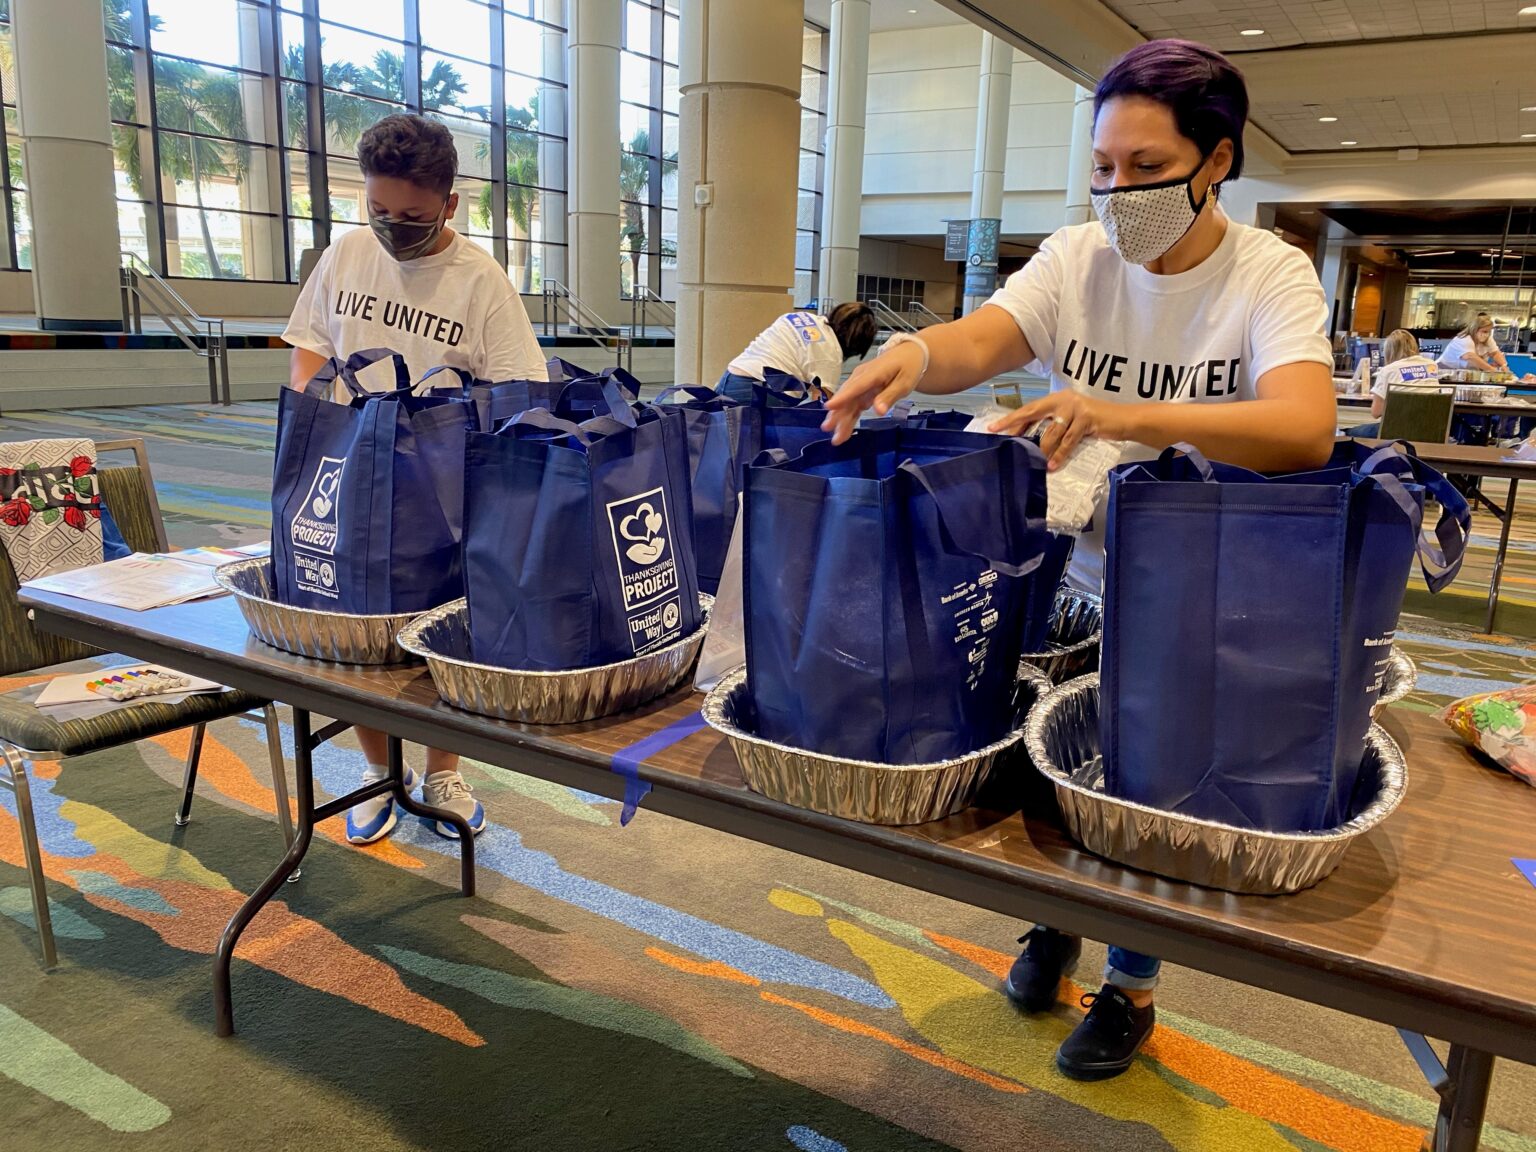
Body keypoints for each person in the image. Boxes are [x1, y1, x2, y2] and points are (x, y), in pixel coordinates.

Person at [823, 39, 1334, 1081]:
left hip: (1194, 574)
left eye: (1146, 169)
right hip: (1065, 556)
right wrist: (914, 357)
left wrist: (1118, 412)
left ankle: (1131, 982)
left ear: (1215, 161)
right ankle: (1049, 923)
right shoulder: (1076, 257)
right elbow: (987, 338)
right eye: (1102, 168)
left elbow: (1305, 427)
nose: (1117, 193)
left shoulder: (1268, 273)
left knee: (1150, 782)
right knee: (1038, 753)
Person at [283, 113, 547, 845]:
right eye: (378, 211)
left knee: (437, 625)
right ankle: (378, 774)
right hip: (347, 469)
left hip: (438, 481)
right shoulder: (344, 255)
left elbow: (518, 388)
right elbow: (307, 352)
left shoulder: (479, 279)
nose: (392, 227)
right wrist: (320, 414)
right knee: (357, 630)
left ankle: (442, 771)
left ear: (449, 206)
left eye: (413, 216)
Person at [716, 302, 877, 402]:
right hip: (760, 392)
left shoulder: (804, 317)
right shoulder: (830, 353)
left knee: (721, 443)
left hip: (730, 378)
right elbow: (823, 405)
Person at [1345, 328, 1440, 438]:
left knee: (1349, 431)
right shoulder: (1432, 366)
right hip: (1428, 430)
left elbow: (1376, 412)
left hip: (1394, 431)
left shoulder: (1388, 370)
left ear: (1389, 350)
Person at [1437, 313, 1509, 375]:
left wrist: (1504, 365)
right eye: (1484, 331)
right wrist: (1491, 369)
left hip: (1464, 373)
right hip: (1445, 372)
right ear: (1475, 329)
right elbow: (1470, 357)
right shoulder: (1464, 339)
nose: (1486, 334)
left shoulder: (1488, 339)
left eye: (1488, 332)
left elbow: (1495, 353)